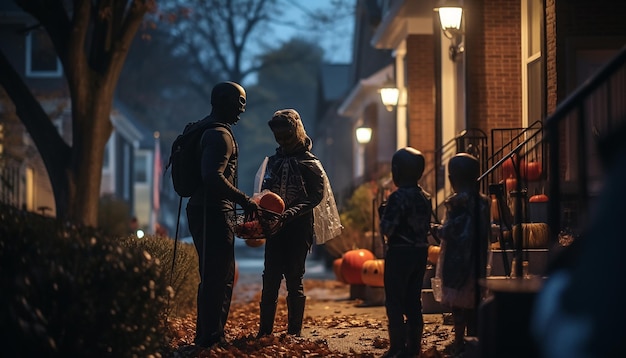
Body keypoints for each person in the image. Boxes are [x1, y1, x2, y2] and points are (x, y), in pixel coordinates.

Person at [186, 81, 259, 348]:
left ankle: (206, 335)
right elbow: (212, 176)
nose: (243, 108)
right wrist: (244, 199)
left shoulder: (206, 129)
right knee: (219, 277)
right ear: (224, 100)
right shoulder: (219, 136)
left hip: (204, 210)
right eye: (240, 101)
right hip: (213, 212)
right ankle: (212, 338)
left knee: (214, 276)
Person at [256, 109, 325, 338]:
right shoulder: (273, 161)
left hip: (299, 229)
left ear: (296, 132)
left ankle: (294, 331)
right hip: (275, 229)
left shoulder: (309, 163)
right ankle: (264, 331)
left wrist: (292, 212)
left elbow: (315, 196)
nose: (283, 142)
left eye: (287, 137)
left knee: (295, 278)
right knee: (270, 278)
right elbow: (265, 192)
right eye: (279, 138)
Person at [431, 153, 491, 357]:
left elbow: (452, 230)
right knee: (474, 302)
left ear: (452, 179)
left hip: (457, 261)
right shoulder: (484, 203)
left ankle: (458, 341)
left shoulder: (456, 203)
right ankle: (473, 339)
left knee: (458, 305)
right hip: (477, 260)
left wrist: (436, 230)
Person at [378, 147, 433, 358]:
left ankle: (397, 347)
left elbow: (387, 228)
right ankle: (414, 348)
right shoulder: (425, 197)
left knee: (394, 300)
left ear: (396, 171)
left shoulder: (397, 197)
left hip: (399, 253)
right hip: (420, 252)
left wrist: (383, 214)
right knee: (413, 300)